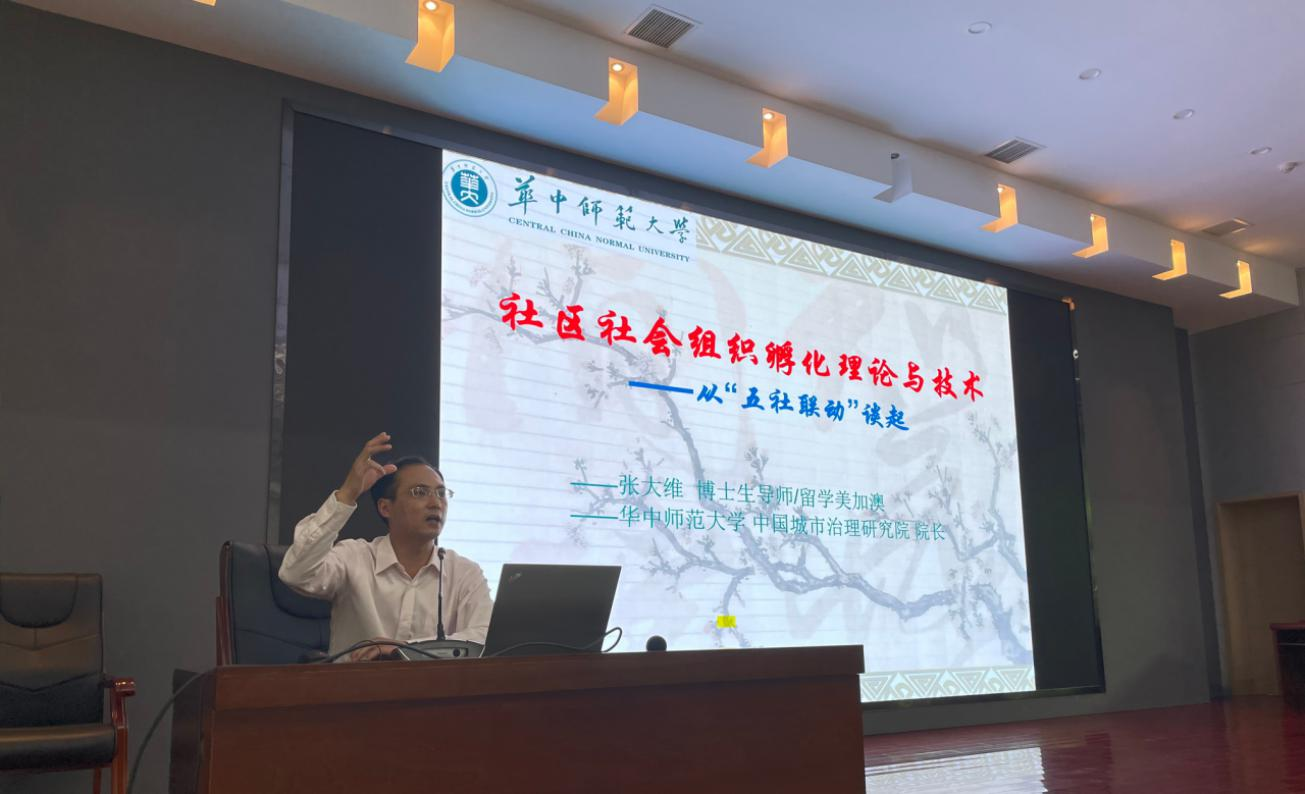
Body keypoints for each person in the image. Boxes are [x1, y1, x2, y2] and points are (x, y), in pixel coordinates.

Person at [279, 432, 493, 661]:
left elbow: (486, 636)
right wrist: (348, 493)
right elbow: (296, 572)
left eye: (441, 493)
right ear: (385, 508)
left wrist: (405, 649)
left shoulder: (464, 573)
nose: (435, 503)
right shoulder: (354, 557)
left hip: (433, 685)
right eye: (420, 492)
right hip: (355, 683)